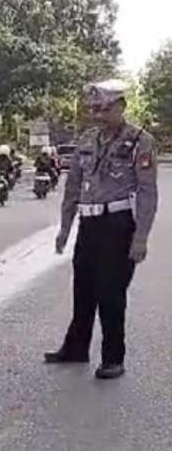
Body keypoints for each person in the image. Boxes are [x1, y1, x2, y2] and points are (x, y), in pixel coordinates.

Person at [45, 79, 158, 380]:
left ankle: (113, 358)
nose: (98, 116)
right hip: (89, 223)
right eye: (94, 110)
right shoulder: (87, 139)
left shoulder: (140, 141)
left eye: (104, 109)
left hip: (118, 225)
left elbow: (147, 192)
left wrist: (141, 237)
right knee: (83, 289)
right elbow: (72, 188)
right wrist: (65, 228)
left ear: (121, 107)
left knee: (111, 293)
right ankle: (76, 348)